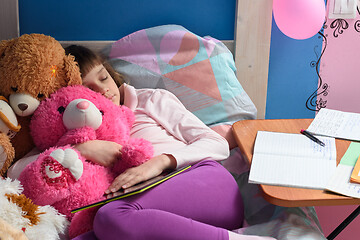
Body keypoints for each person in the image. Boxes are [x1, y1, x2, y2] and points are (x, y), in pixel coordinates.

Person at [63, 45, 275, 240]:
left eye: (103, 78)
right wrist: (81, 148)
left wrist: (160, 162)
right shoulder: (79, 128)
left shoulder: (150, 100)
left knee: (110, 216)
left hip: (204, 181)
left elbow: (216, 142)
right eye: (89, 89)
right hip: (153, 213)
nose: (102, 90)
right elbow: (36, 167)